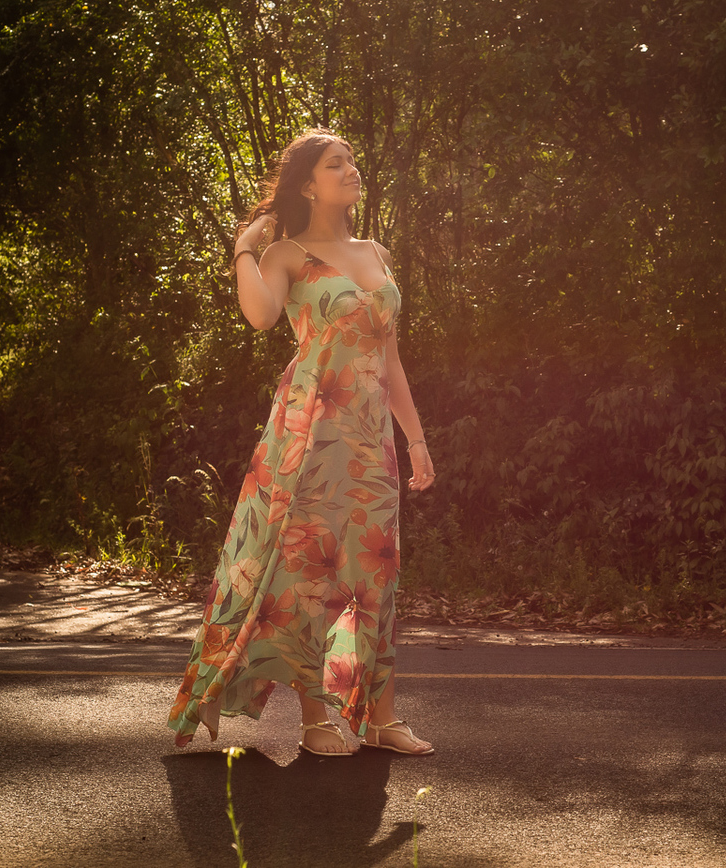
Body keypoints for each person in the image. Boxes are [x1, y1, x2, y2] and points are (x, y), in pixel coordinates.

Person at [168, 128, 435, 757]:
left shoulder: (376, 252)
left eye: (352, 160)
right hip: (310, 430)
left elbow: (390, 359)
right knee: (311, 570)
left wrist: (417, 440)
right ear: (308, 185)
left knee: (374, 572)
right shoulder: (285, 254)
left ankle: (379, 718)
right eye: (335, 163)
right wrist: (243, 249)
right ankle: (316, 719)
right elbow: (262, 316)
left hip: (370, 437)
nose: (351, 169)